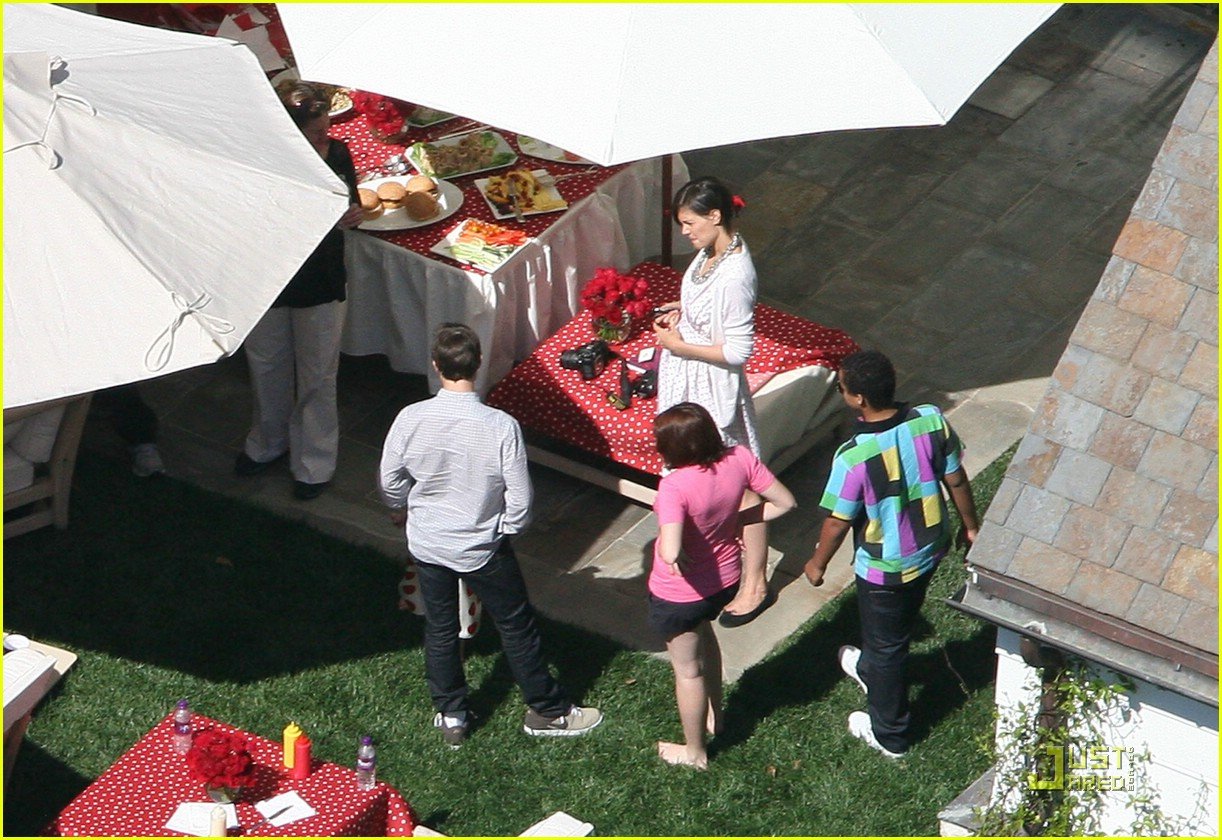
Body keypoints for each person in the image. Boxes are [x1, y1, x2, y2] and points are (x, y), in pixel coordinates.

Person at [378, 323, 603, 748]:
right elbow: (520, 498)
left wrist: (401, 508)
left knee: (441, 627)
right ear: (478, 365)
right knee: (516, 627)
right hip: (482, 546)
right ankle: (548, 710)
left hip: (428, 541)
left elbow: (390, 478)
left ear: (435, 365)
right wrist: (505, 529)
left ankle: (451, 715)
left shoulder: (411, 418)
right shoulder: (500, 426)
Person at [804, 350, 979, 759]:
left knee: (887, 649)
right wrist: (971, 525)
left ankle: (890, 735)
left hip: (885, 567)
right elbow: (955, 478)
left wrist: (817, 563)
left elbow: (837, 521)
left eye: (843, 388)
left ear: (859, 399)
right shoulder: (931, 420)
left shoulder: (853, 457)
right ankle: (869, 668)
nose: (842, 392)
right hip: (931, 546)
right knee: (891, 631)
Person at [235, 81, 364, 500]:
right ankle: (267, 443)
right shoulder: (263, 161)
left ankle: (314, 463)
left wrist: (352, 213)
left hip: (321, 278)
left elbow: (349, 203)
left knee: (318, 375)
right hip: (269, 277)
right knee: (267, 365)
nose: (322, 139)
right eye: (313, 134)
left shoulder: (339, 153)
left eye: (324, 130)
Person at [653, 176, 771, 627]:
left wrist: (680, 346)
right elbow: (707, 306)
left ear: (714, 216)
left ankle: (754, 581)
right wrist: (682, 313)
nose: (684, 232)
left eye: (689, 223)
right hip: (691, 378)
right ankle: (717, 558)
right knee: (710, 480)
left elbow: (739, 351)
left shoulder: (736, 275)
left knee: (739, 486)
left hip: (713, 389)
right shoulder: (710, 255)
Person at [650, 402, 796, 769]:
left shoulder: (674, 487)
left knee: (688, 670)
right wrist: (735, 520)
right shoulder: (739, 458)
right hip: (725, 582)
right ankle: (717, 715)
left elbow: (669, 550)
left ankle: (695, 751)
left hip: (680, 595)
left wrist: (678, 547)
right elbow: (784, 502)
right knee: (706, 638)